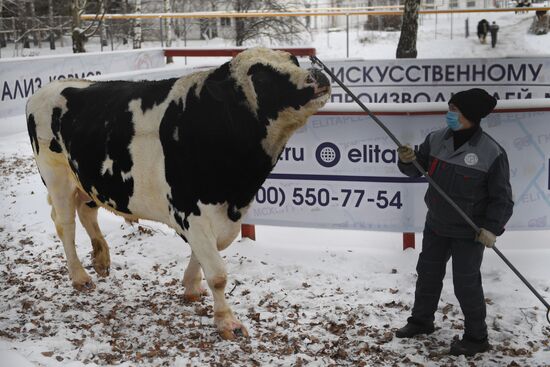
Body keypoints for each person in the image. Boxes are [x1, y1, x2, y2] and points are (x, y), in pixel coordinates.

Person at [395, 88, 514, 357]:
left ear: (470, 116)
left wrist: (492, 229)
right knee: (427, 274)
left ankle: (476, 336)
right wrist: (407, 162)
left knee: (466, 283)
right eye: (449, 108)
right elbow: (417, 170)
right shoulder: (436, 139)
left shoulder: (491, 152)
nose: (449, 114)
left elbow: (502, 198)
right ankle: (421, 321)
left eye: (454, 110)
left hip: (469, 232)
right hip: (436, 223)